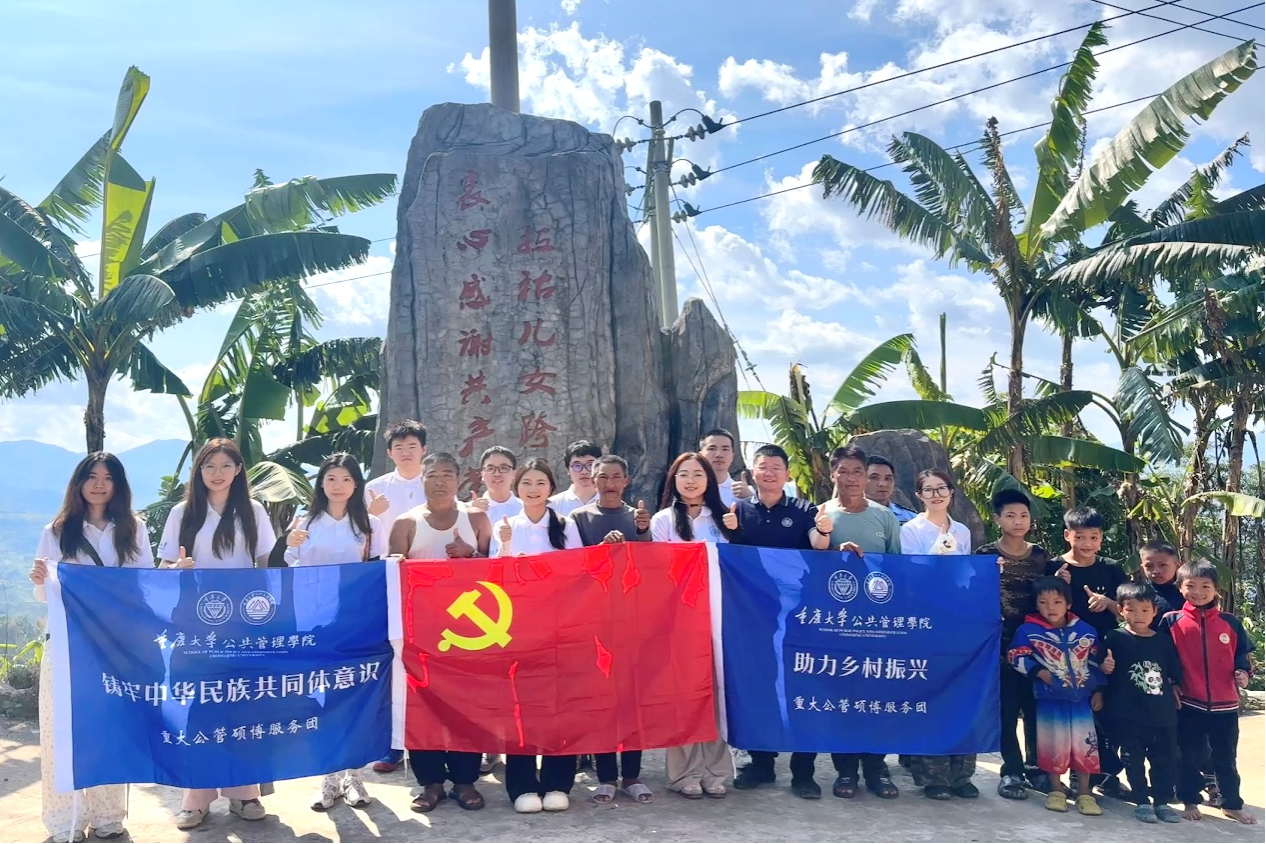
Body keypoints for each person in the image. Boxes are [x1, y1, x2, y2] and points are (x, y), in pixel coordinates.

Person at [28, 453, 152, 843]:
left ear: (118, 485)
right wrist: (39, 579)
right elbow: (44, 595)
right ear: (78, 482)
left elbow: (143, 583)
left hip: (115, 646)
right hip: (67, 644)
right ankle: (64, 819)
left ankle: (108, 816)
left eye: (108, 477)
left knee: (111, 728)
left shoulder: (133, 529)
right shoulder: (57, 531)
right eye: (92, 476)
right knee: (60, 731)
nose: (99, 484)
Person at [157, 438, 277, 830]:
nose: (217, 473)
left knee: (243, 703)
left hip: (244, 623)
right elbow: (162, 568)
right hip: (194, 623)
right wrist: (177, 569)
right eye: (209, 466)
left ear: (239, 470)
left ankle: (245, 793)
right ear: (199, 472)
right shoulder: (182, 513)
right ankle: (196, 797)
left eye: (226, 466)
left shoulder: (254, 511)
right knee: (200, 703)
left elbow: (267, 566)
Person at [724, 444, 829, 799]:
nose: (769, 473)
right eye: (763, 467)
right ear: (752, 472)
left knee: (803, 687)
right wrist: (731, 530)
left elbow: (818, 546)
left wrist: (824, 531)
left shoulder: (804, 510)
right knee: (759, 686)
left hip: (799, 614)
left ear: (787, 474)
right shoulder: (738, 510)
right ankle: (762, 764)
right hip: (752, 616)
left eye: (776, 467)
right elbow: (730, 557)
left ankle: (804, 772)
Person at [389, 453, 492, 813]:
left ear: (459, 479)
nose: (440, 481)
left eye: (447, 474)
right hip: (421, 633)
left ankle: (465, 780)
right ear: (422, 480)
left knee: (468, 706)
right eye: (432, 474)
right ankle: (430, 782)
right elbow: (392, 577)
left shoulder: (476, 519)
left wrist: (471, 554)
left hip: (469, 633)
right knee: (423, 708)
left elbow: (497, 573)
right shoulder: (406, 523)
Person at [284, 454, 386, 811]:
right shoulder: (306, 521)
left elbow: (378, 569)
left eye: (345, 479)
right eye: (330, 478)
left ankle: (354, 776)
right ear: (321, 483)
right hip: (316, 622)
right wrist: (290, 542)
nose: (338, 485)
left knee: (354, 696)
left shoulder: (370, 524)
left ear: (356, 484)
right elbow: (289, 566)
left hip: (357, 621)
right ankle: (327, 777)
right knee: (321, 697)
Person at [494, 458, 581, 813]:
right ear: (517, 488)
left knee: (561, 704)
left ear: (551, 488)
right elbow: (493, 578)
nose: (533, 489)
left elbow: (578, 573)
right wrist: (504, 548)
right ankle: (522, 785)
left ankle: (558, 782)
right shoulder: (505, 525)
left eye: (540, 483)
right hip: (516, 628)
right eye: (527, 483)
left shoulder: (566, 525)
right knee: (520, 707)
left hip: (559, 626)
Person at [817, 446, 902, 802]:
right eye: (844, 471)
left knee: (877, 698)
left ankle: (877, 767)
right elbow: (811, 568)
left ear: (865, 476)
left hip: (878, 625)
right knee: (842, 698)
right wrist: (835, 557)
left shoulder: (884, 517)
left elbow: (900, 569)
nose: (851, 478)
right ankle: (845, 769)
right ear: (833, 473)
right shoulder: (822, 515)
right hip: (836, 626)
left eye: (857, 471)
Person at [651, 452, 738, 799]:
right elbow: (659, 569)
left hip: (719, 617)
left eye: (697, 474)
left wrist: (736, 531)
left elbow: (737, 566)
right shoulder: (662, 520)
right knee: (684, 695)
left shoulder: (725, 517)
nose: (690, 481)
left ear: (708, 480)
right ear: (673, 480)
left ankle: (716, 770)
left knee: (717, 693)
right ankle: (684, 772)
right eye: (683, 474)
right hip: (679, 618)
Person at [569, 454, 655, 804]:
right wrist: (601, 552)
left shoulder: (638, 518)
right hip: (594, 620)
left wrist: (644, 533)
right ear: (593, 480)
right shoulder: (579, 518)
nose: (609, 483)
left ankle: (632, 775)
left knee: (633, 699)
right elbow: (572, 567)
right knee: (602, 700)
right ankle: (605, 776)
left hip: (634, 618)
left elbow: (652, 566)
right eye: (603, 476)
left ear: (626, 481)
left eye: (616, 477)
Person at [1158, 560, 1257, 825]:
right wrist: (1171, 683)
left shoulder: (1230, 622)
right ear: (1180, 588)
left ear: (1216, 589)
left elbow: (1242, 656)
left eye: (1205, 586)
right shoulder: (1171, 621)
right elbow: (1163, 658)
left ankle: (1232, 804)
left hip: (1226, 705)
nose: (1198, 592)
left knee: (1226, 757)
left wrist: (1243, 673)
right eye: (1191, 586)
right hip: (1188, 703)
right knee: (1188, 756)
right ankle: (1190, 800)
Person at [900, 468, 976, 800]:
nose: (936, 495)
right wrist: (936, 555)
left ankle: (962, 775)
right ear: (919, 496)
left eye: (941, 488)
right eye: (928, 490)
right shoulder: (910, 530)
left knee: (960, 692)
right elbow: (911, 575)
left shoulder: (962, 531)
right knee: (930, 694)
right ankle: (933, 776)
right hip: (925, 620)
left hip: (957, 621)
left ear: (951, 492)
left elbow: (965, 575)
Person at [1045, 506, 1127, 798]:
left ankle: (1106, 775)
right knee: (1068, 716)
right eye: (1080, 537)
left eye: (1093, 537)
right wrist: (1058, 585)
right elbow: (1040, 609)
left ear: (1101, 538)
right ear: (1067, 535)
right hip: (1063, 655)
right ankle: (1065, 777)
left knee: (1105, 714)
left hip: (1104, 654)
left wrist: (1109, 603)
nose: (1087, 543)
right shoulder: (1054, 567)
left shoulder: (1111, 568)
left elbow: (1131, 610)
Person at [1007, 576, 1106, 817]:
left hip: (1082, 700)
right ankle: (1056, 790)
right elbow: (1015, 656)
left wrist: (1099, 689)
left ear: (1068, 604)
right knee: (1053, 745)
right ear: (1036, 604)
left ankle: (1084, 792)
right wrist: (1039, 673)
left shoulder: (1086, 631)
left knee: (1085, 746)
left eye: (1057, 602)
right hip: (1049, 699)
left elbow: (1096, 662)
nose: (1050, 607)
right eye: (1043, 602)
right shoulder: (1028, 631)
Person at [975, 488, 1049, 799]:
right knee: (1006, 710)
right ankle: (1012, 771)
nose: (1018, 521)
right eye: (1010, 515)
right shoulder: (984, 555)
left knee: (1035, 708)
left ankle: (1038, 769)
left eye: (1023, 516)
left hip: (1037, 647)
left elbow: (1051, 595)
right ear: (997, 519)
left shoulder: (1041, 556)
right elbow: (971, 594)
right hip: (999, 647)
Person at [365, 421, 429, 769]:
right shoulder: (375, 488)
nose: (406, 452)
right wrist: (369, 515)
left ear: (424, 450)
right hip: (387, 582)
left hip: (429, 584)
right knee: (392, 658)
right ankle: (393, 743)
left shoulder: (435, 482)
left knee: (427, 659)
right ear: (389, 453)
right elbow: (358, 534)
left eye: (412, 446)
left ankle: (429, 740)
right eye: (399, 447)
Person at [1100, 582, 1183, 824]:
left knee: (1164, 759)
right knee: (1132, 759)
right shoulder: (1115, 638)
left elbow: (1174, 673)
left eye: (1145, 610)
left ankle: (1162, 801)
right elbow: (1102, 668)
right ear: (1121, 610)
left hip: (1162, 713)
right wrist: (1105, 668)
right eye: (1131, 609)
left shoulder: (1164, 642)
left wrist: (1176, 688)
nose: (1139, 615)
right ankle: (1142, 801)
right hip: (1128, 714)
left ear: (1154, 611)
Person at [698, 428, 753, 507]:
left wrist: (750, 500)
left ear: (732, 456)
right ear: (700, 455)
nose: (719, 454)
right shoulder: (690, 488)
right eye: (712, 449)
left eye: (725, 449)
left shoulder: (745, 492)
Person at [547, 439, 602, 517]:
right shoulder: (552, 505)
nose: (584, 471)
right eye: (577, 466)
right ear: (568, 470)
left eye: (590, 465)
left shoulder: (612, 502)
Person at [865, 455, 917, 525]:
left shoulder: (912, 519)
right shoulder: (851, 517)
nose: (883, 484)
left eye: (888, 478)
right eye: (874, 478)